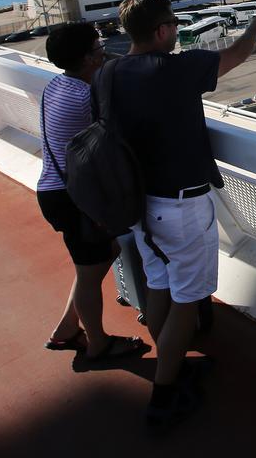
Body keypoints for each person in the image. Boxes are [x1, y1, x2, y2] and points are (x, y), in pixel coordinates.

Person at [98, 0, 256, 431]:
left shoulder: (109, 71)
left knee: (158, 287)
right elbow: (234, 55)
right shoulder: (179, 68)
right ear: (161, 31)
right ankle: (164, 395)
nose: (177, 30)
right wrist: (255, 27)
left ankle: (168, 363)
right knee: (186, 300)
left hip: (139, 205)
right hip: (181, 206)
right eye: (173, 24)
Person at [38, 22, 148, 362]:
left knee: (98, 260)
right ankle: (97, 346)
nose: (103, 49)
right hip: (74, 199)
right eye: (98, 47)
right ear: (87, 58)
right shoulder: (87, 96)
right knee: (88, 274)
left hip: (53, 190)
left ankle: (66, 328)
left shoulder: (57, 84)